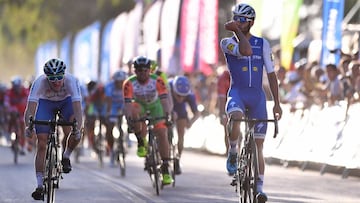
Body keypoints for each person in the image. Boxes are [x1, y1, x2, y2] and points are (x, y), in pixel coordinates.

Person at [220, 3, 282, 202]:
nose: (238, 22)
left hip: (257, 97)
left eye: (242, 20)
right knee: (236, 117)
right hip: (237, 93)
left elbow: (271, 75)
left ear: (251, 23)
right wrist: (238, 31)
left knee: (259, 144)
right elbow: (245, 51)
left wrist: (277, 103)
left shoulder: (262, 44)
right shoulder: (226, 43)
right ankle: (232, 151)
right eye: (236, 19)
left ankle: (260, 188)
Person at [24, 58, 83, 200]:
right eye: (52, 78)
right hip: (46, 104)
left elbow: (77, 109)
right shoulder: (39, 82)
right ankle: (39, 185)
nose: (56, 81)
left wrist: (78, 129)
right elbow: (30, 109)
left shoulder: (71, 81)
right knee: (42, 143)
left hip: (66, 103)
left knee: (75, 128)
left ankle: (66, 155)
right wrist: (28, 126)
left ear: (64, 75)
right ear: (46, 77)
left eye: (59, 78)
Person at [123, 56, 173, 185]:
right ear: (135, 71)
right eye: (139, 71)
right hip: (140, 105)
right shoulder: (129, 83)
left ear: (149, 70)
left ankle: (166, 168)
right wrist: (129, 120)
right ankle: (141, 140)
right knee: (134, 111)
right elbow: (128, 105)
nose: (142, 73)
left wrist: (167, 115)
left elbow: (164, 100)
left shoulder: (157, 80)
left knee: (162, 133)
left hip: (156, 106)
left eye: (145, 70)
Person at [169, 75, 200, 174]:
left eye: (183, 96)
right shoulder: (167, 88)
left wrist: (190, 122)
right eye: (178, 95)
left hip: (180, 111)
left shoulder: (190, 95)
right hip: (167, 108)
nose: (180, 98)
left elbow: (197, 113)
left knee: (181, 135)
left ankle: (177, 158)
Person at [104, 70, 127, 166]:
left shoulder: (127, 85)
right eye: (117, 82)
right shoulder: (109, 86)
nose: (119, 83)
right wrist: (108, 113)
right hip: (113, 106)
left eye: (121, 81)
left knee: (130, 118)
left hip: (122, 105)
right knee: (110, 129)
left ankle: (124, 142)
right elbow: (108, 100)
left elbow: (130, 99)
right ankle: (111, 150)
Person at [5, 76, 29, 153]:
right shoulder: (9, 92)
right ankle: (9, 133)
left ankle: (22, 146)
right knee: (11, 118)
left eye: (18, 87)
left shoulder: (25, 91)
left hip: (22, 111)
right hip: (13, 111)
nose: (17, 89)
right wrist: (8, 108)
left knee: (23, 127)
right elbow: (6, 102)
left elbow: (29, 99)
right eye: (15, 87)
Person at [217, 69, 231, 155]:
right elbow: (222, 99)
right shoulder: (223, 77)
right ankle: (229, 151)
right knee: (227, 128)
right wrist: (222, 114)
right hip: (227, 103)